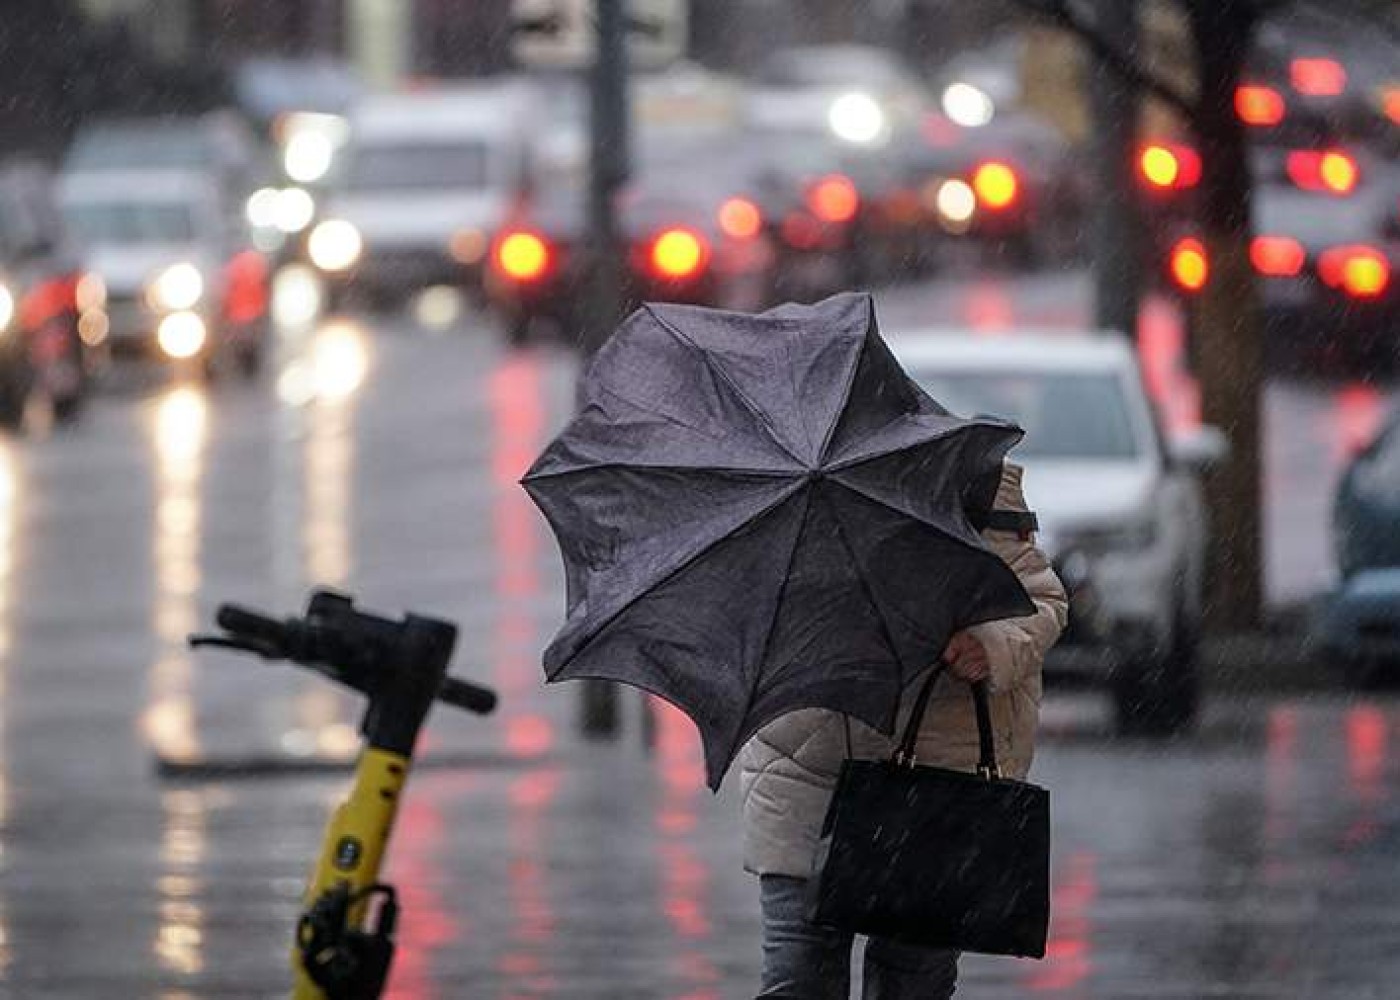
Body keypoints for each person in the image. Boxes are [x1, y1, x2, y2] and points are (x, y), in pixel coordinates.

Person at [739, 460, 1068, 999]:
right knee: (797, 975)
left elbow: (1039, 600)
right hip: (804, 766)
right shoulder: (784, 487)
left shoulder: (974, 479)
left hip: (933, 778)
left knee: (914, 978)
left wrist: (989, 644)